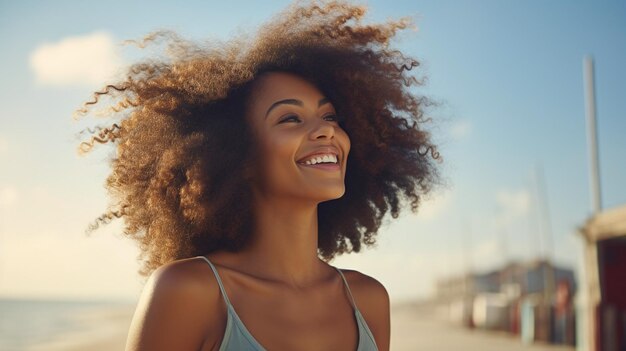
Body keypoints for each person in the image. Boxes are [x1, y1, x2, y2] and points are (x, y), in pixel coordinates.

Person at [76, 1, 441, 350]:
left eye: (329, 117)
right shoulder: (188, 291)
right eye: (290, 118)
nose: (327, 131)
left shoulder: (368, 299)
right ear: (240, 156)